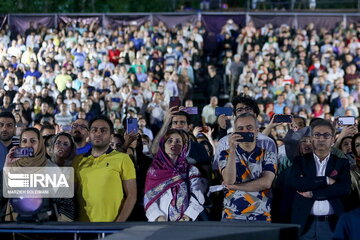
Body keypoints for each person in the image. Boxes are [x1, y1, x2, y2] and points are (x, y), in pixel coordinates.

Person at [289, 119, 351, 240]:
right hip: (305, 223)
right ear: (312, 138)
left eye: (326, 135)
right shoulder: (300, 161)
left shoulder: (341, 163)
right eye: (317, 135)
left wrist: (313, 193)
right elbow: (297, 184)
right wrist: (326, 181)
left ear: (333, 140)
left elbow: (343, 189)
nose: (321, 139)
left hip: (332, 224)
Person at [74, 115, 137, 222]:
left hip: (110, 227)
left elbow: (132, 195)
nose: (98, 133)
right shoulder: (77, 160)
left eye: (103, 130)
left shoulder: (123, 159)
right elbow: (71, 194)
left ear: (111, 136)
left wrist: (118, 224)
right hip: (83, 227)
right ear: (89, 134)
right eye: (94, 130)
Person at [220, 113, 277, 221]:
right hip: (231, 216)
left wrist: (236, 187)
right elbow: (229, 180)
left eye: (249, 127)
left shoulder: (268, 154)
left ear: (257, 130)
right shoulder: (225, 154)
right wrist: (232, 150)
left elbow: (266, 183)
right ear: (234, 132)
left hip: (261, 216)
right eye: (240, 128)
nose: (245, 131)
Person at [144, 129, 206, 222]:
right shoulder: (154, 171)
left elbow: (198, 195)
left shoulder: (191, 170)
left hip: (186, 224)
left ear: (183, 147)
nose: (173, 144)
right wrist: (159, 217)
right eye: (169, 141)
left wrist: (187, 216)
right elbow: (149, 197)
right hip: (159, 224)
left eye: (178, 141)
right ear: (163, 144)